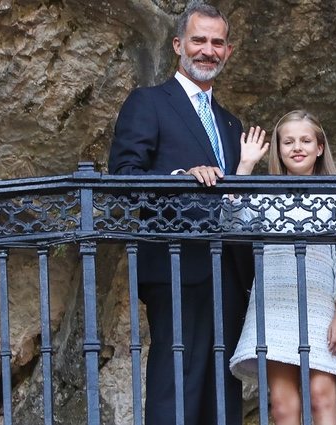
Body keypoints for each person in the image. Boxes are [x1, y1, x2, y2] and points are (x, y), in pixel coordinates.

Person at [108, 3, 251, 425]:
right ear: (178, 45)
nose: (208, 50)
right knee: (178, 382)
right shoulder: (148, 102)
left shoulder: (230, 123)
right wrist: (181, 177)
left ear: (228, 51)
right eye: (199, 40)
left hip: (228, 270)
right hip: (177, 265)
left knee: (222, 390)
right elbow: (124, 177)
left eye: (217, 42)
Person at [228, 111, 336, 425]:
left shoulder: (333, 199)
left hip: (319, 306)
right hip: (273, 304)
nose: (297, 147)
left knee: (321, 397)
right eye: (288, 141)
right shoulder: (263, 196)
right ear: (278, 149)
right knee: (283, 407)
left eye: (305, 140)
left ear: (320, 148)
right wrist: (244, 166)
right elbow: (230, 222)